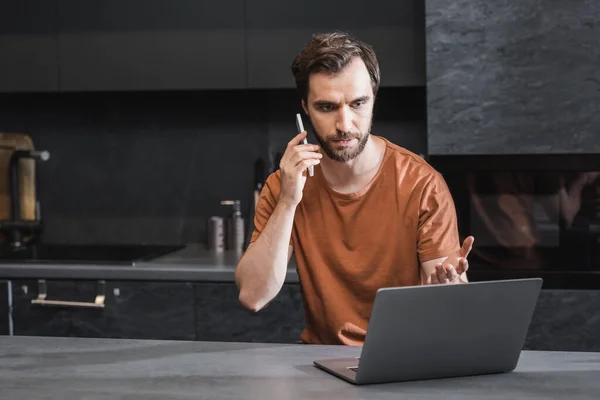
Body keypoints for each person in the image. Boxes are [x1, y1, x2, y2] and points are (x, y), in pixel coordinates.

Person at [235, 31, 474, 346]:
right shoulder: (284, 185)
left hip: (402, 359)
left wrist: (447, 286)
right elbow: (253, 295)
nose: (345, 124)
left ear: (374, 97)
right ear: (305, 107)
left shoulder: (422, 184)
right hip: (321, 364)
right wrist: (289, 202)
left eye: (358, 103)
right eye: (327, 107)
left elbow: (452, 307)